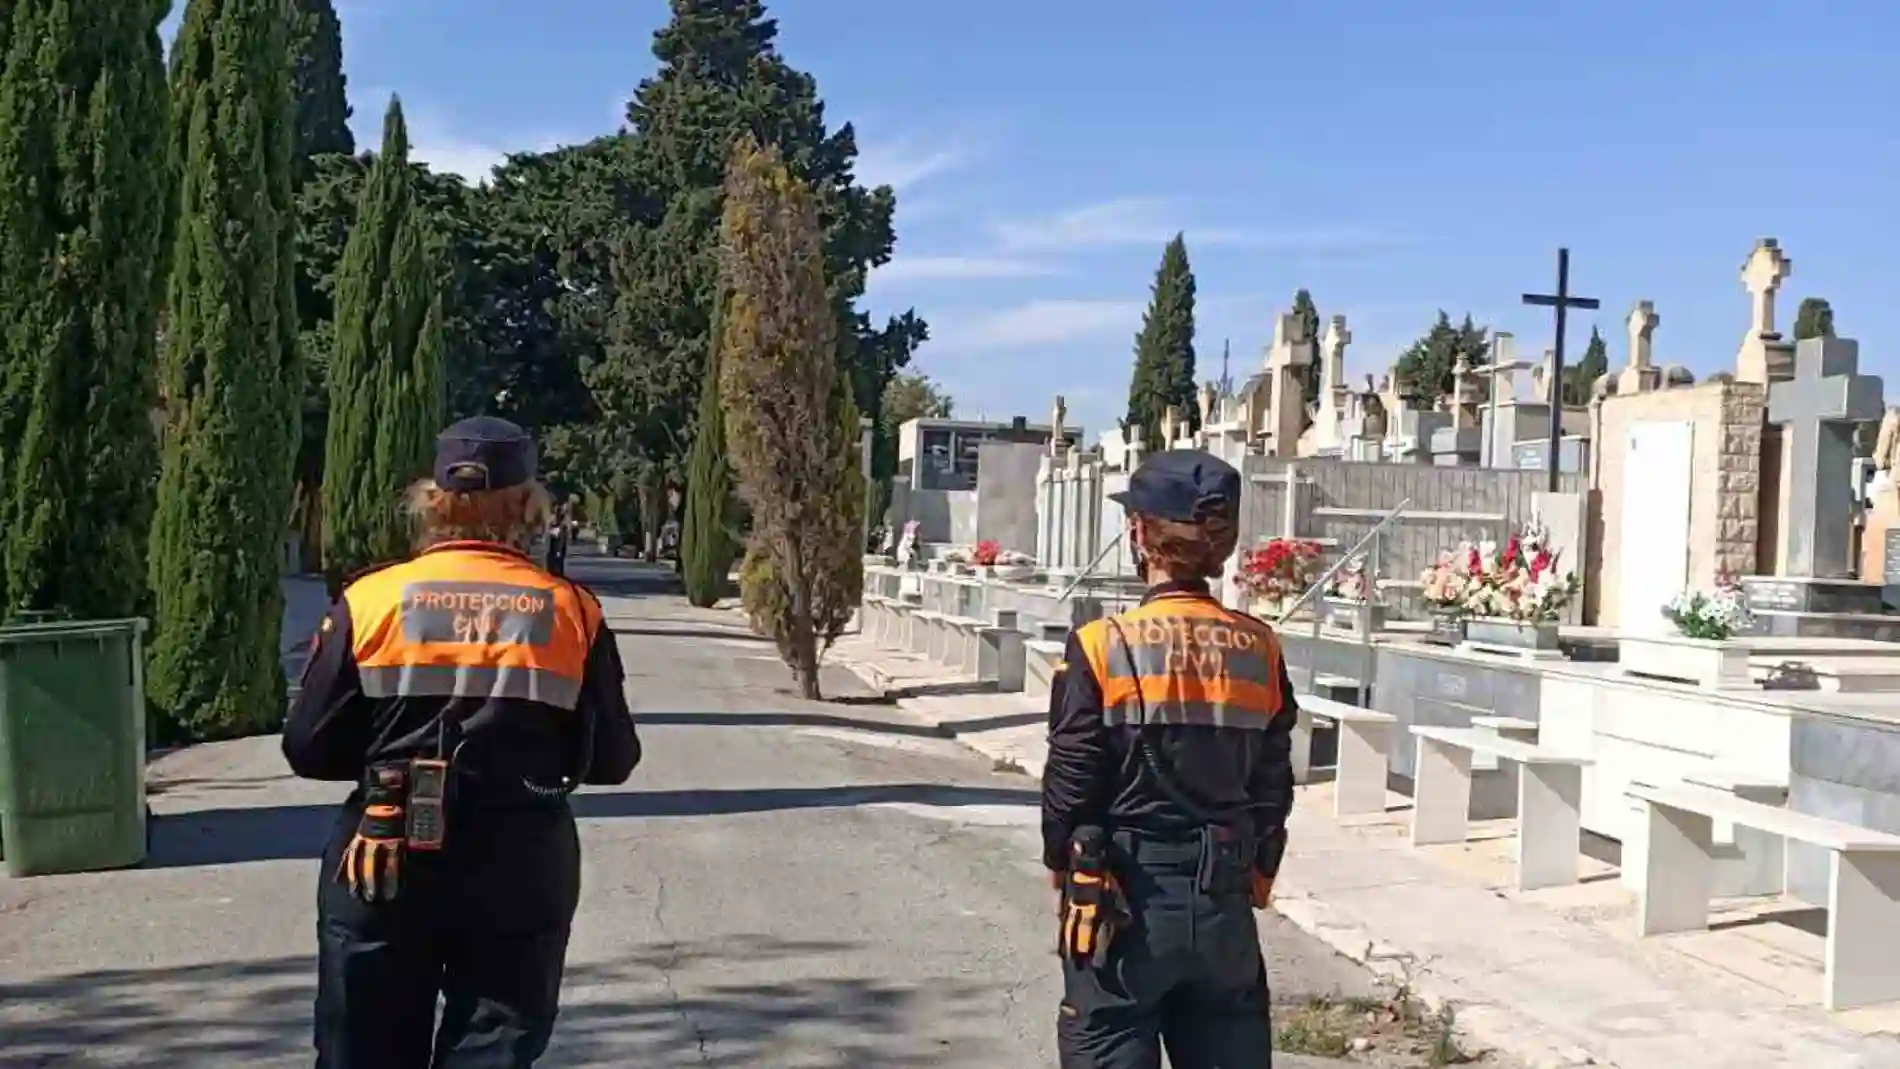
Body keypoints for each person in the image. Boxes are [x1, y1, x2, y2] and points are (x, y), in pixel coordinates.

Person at [283, 415, 641, 1069]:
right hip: (519, 857)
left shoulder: (369, 602)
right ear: (529, 505)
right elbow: (615, 759)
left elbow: (308, 747)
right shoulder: (570, 610)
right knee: (493, 1049)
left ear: (433, 501)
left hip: (382, 850)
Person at [1041, 448, 1297, 1069]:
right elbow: (1273, 780)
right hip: (1224, 901)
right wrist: (1258, 869)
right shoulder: (1260, 648)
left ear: (1139, 534)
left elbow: (1072, 780)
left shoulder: (1102, 646)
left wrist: (1062, 861)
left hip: (1123, 900)